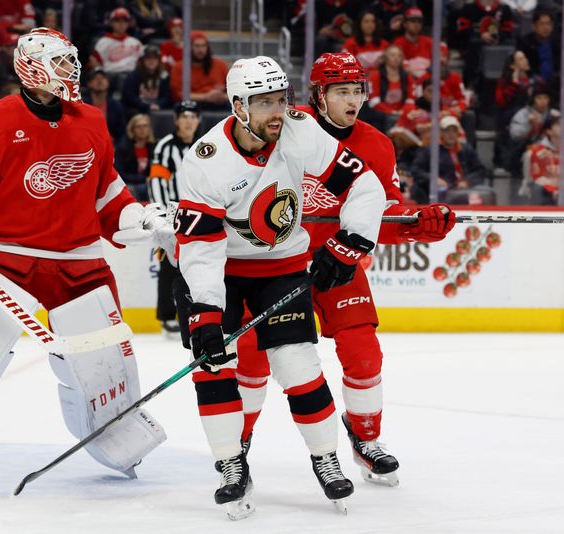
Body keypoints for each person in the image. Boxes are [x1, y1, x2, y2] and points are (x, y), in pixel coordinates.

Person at [0, 28, 171, 485]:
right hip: (4, 259)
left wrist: (135, 218)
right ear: (33, 67)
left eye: (70, 62)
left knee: (101, 356)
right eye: (61, 64)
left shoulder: (92, 122)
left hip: (76, 260)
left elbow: (106, 194)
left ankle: (118, 439)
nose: (71, 72)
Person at [227, 53, 457, 493]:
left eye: (358, 90)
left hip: (340, 262)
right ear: (319, 95)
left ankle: (365, 437)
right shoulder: (286, 128)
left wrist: (414, 225)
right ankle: (237, 444)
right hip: (275, 265)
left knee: (363, 350)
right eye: (342, 92)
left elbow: (383, 216)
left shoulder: (377, 144)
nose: (354, 100)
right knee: (253, 359)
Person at [173, 55, 387, 518]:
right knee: (213, 369)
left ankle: (326, 457)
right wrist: (207, 313)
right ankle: (232, 463)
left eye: (280, 99)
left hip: (281, 267)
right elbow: (200, 248)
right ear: (237, 105)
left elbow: (365, 186)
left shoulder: (299, 130)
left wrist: (350, 242)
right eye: (263, 102)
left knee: (297, 363)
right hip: (220, 273)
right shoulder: (205, 160)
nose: (277, 111)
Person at [147, 100, 200, 334]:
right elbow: (157, 180)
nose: (189, 121)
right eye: (185, 116)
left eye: (193, 116)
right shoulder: (165, 147)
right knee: (170, 264)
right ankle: (168, 316)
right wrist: (164, 217)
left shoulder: (205, 145)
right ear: (177, 120)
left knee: (203, 262)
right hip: (173, 211)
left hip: (202, 211)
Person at [410, 115, 487, 204]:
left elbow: (480, 170)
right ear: (441, 133)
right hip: (441, 190)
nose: (451, 134)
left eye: (454, 131)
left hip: (463, 189)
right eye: (447, 131)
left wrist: (467, 181)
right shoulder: (430, 150)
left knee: (485, 192)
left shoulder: (465, 149)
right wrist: (433, 179)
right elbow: (416, 170)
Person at [169, 31, 228, 110]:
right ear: (189, 47)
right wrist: (205, 97)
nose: (201, 50)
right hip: (192, 104)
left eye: (203, 46)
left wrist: (222, 96)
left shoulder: (220, 65)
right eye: (197, 46)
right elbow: (177, 94)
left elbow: (233, 91)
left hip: (218, 104)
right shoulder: (179, 67)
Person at [363, 45, 416, 133]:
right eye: (393, 55)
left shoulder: (407, 77)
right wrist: (392, 112)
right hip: (381, 115)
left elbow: (411, 100)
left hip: (402, 113)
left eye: (399, 56)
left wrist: (403, 112)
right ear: (385, 58)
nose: (396, 58)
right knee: (389, 119)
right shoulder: (376, 75)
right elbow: (373, 102)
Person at [88, 7, 144, 85]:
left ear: (128, 24)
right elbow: (94, 62)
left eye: (124, 21)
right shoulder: (103, 42)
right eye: (117, 21)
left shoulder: (135, 43)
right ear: (111, 23)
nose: (121, 24)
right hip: (109, 76)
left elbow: (142, 63)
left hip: (131, 77)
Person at [114, 113, 156, 201]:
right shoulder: (123, 148)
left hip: (148, 184)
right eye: (138, 126)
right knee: (132, 189)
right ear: (132, 130)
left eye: (145, 126)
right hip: (129, 184)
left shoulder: (155, 148)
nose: (142, 129)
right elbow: (120, 174)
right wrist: (144, 179)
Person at [520, 114, 561, 204]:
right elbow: (536, 181)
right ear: (549, 131)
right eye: (559, 124)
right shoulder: (535, 152)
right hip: (546, 197)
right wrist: (554, 190)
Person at [121, 44, 172, 116]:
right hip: (138, 108)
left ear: (159, 61)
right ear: (142, 60)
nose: (152, 61)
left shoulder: (164, 75)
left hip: (157, 106)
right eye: (148, 58)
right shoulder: (134, 75)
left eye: (155, 58)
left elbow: (167, 96)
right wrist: (146, 106)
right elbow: (129, 96)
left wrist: (159, 104)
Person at [82, 68, 125, 142]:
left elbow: (121, 132)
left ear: (108, 83)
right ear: (89, 84)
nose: (100, 81)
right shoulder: (82, 105)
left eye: (103, 78)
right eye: (95, 78)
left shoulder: (116, 106)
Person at [391, 7, 433, 78]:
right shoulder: (397, 43)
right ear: (405, 24)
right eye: (413, 21)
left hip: (428, 80)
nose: (416, 24)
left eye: (419, 21)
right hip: (406, 81)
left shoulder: (429, 42)